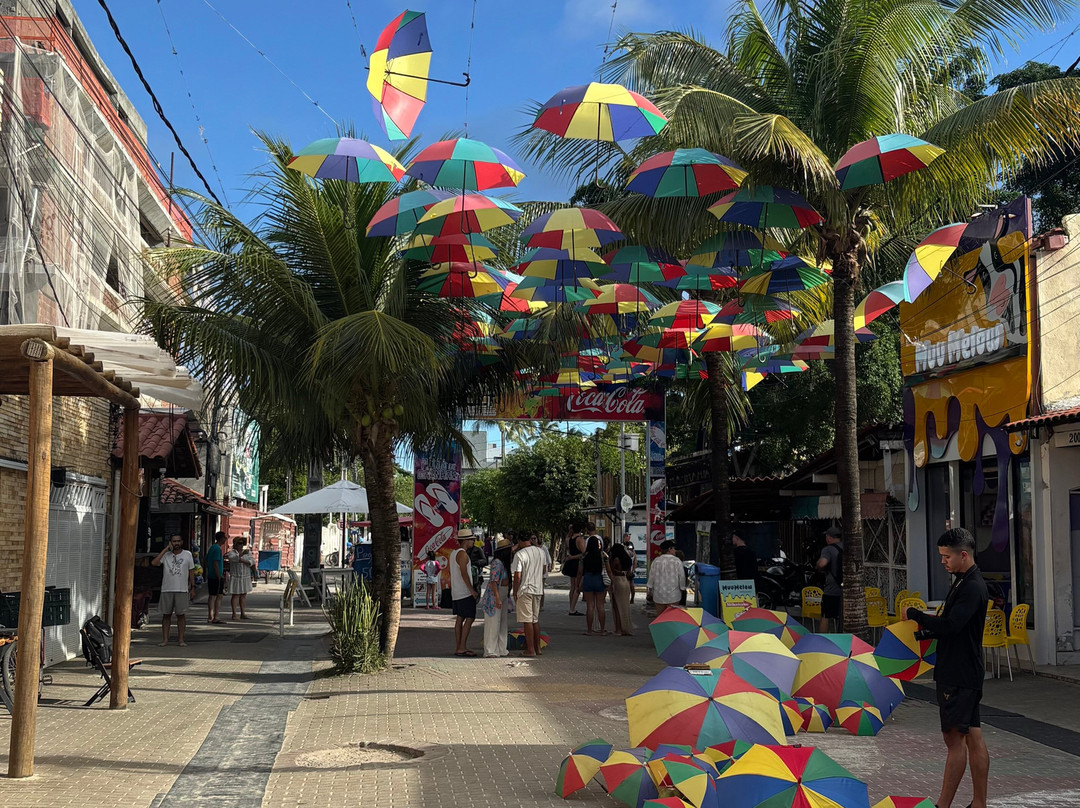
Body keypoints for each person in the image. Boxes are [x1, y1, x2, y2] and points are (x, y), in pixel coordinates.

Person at [905, 528, 990, 808]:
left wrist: (916, 615)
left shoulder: (972, 586)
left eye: (946, 556)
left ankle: (943, 805)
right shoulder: (964, 581)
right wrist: (925, 632)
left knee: (954, 740)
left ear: (963, 555)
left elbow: (952, 625)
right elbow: (955, 626)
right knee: (973, 736)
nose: (943, 561)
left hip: (958, 673)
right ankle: (978, 803)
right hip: (965, 670)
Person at [152, 535, 195, 647]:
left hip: (182, 589)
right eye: (174, 541)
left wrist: (192, 587)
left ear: (182, 542)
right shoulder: (166, 555)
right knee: (166, 615)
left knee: (181, 615)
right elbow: (154, 563)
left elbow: (191, 571)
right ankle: (165, 639)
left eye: (178, 541)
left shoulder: (187, 554)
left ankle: (181, 639)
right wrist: (166, 549)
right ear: (170, 542)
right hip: (167, 588)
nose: (176, 543)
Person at [511, 533, 545, 656]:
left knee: (527, 620)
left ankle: (530, 650)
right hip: (538, 589)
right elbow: (544, 570)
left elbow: (517, 575)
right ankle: (538, 648)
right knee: (535, 620)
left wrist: (515, 591)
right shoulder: (541, 552)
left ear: (520, 541)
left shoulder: (520, 554)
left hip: (525, 589)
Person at [481, 537, 513, 657]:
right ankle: (490, 650)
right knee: (493, 623)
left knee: (502, 623)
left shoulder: (503, 564)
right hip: (496, 595)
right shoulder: (497, 563)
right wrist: (498, 598)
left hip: (502, 593)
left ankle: (501, 648)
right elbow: (494, 581)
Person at [449, 531, 479, 656]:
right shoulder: (462, 554)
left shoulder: (454, 553)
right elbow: (464, 573)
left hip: (457, 591)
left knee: (460, 617)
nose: (473, 542)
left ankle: (459, 646)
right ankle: (461, 646)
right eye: (471, 539)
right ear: (465, 540)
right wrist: (471, 590)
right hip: (464, 592)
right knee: (470, 617)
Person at [577, 535, 611, 636]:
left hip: (588, 579)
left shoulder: (584, 556)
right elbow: (608, 570)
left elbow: (580, 572)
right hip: (599, 579)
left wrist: (578, 584)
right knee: (600, 606)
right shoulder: (603, 555)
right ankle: (602, 630)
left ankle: (589, 630)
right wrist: (612, 581)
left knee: (590, 606)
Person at [816, 526, 844, 632]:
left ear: (828, 537)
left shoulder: (828, 549)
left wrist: (818, 565)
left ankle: (823, 639)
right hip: (847, 590)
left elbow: (822, 563)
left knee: (825, 616)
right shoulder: (847, 547)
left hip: (832, 590)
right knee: (843, 616)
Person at [648, 540, 686, 614]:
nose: (675, 550)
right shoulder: (677, 561)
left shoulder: (656, 561)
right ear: (669, 549)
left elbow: (651, 577)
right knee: (671, 618)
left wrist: (650, 589)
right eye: (673, 548)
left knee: (660, 618)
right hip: (674, 596)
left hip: (658, 596)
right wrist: (682, 588)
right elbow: (681, 577)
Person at [609, 542, 634, 636]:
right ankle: (626, 627)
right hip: (625, 581)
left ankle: (618, 629)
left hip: (617, 581)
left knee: (616, 606)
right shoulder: (627, 559)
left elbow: (611, 571)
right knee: (624, 606)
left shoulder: (615, 559)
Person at [226, 536, 254, 620]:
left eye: (242, 543)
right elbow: (233, 559)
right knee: (236, 595)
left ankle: (243, 613)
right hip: (236, 576)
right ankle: (234, 614)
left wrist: (244, 561)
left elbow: (252, 561)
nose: (241, 545)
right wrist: (242, 555)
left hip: (245, 576)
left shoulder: (248, 552)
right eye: (239, 543)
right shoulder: (232, 552)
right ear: (235, 544)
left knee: (243, 595)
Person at [205, 531, 228, 624]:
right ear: (221, 539)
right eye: (225, 538)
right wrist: (219, 576)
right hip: (216, 575)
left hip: (211, 574)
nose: (225, 539)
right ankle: (216, 616)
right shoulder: (218, 549)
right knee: (218, 596)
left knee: (212, 595)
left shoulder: (212, 547)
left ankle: (210, 615)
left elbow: (206, 560)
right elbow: (215, 563)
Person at [564, 529, 586, 616]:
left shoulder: (569, 539)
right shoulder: (580, 539)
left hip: (571, 563)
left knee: (573, 586)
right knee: (577, 586)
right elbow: (583, 553)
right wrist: (573, 557)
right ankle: (572, 608)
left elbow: (567, 541)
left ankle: (571, 606)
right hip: (577, 563)